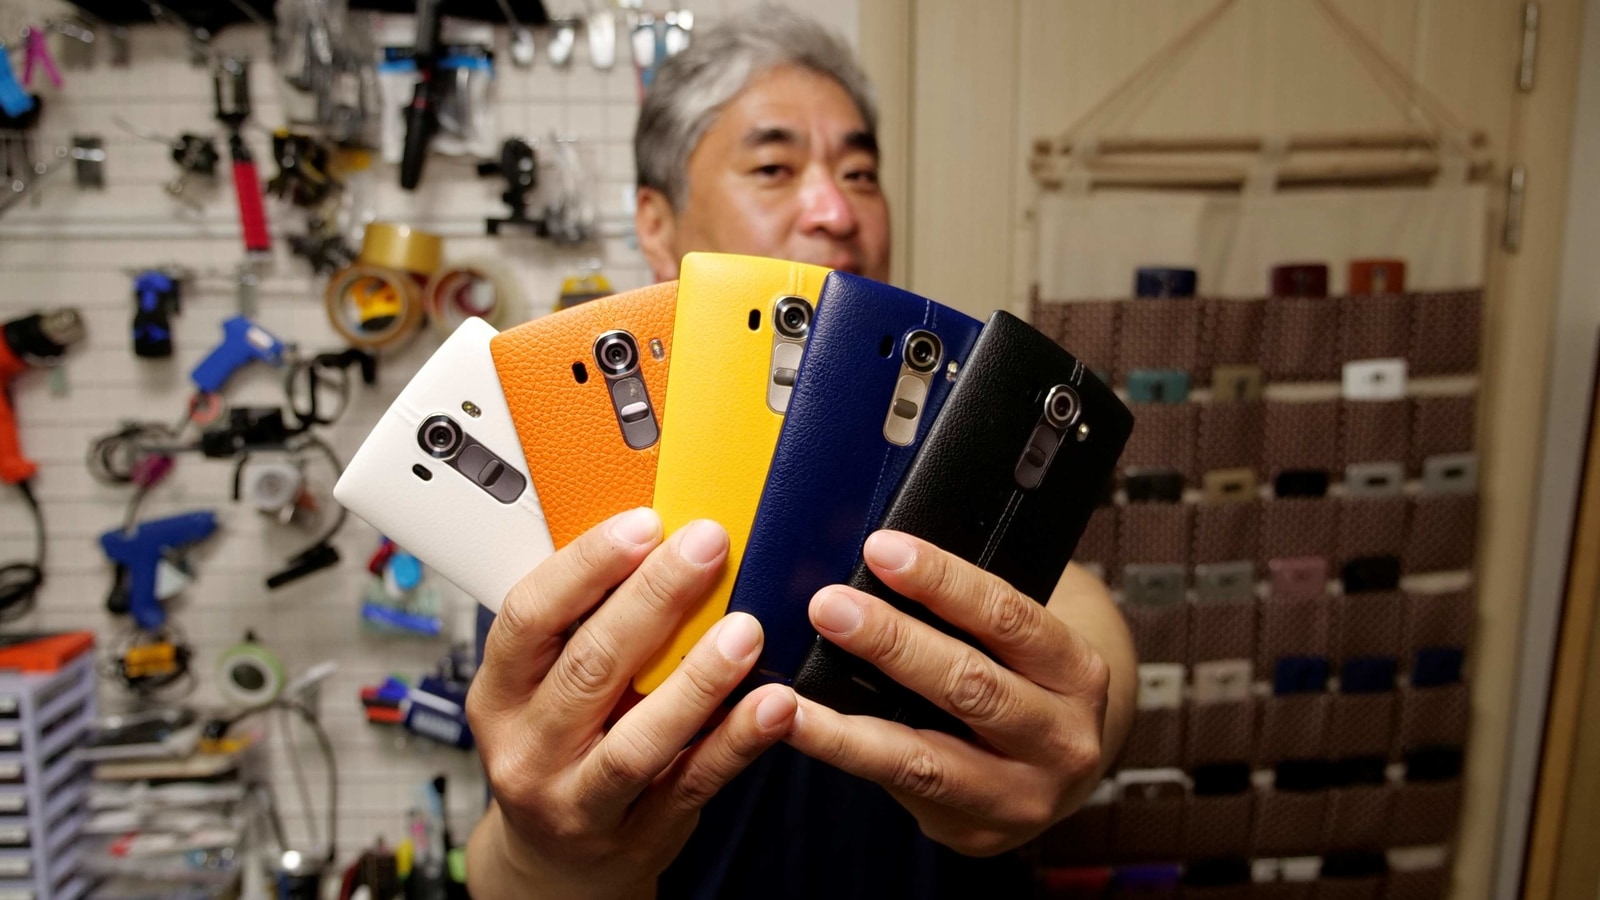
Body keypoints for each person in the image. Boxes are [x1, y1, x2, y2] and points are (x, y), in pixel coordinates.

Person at [464, 7, 1136, 898]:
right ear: (656, 225)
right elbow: (504, 843)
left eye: (860, 173)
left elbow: (1072, 606)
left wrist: (1080, 733)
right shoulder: (566, 482)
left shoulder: (948, 419)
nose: (835, 212)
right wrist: (541, 858)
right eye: (773, 168)